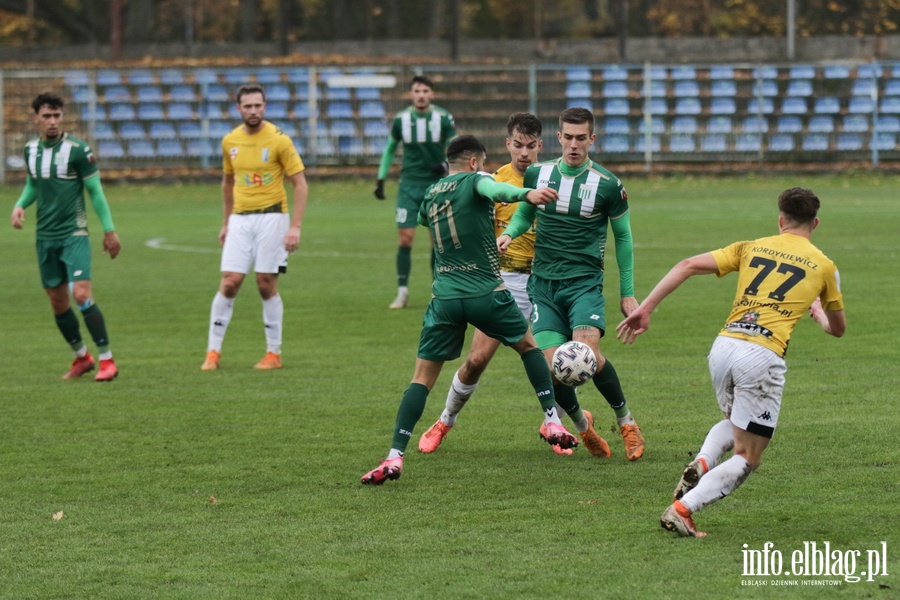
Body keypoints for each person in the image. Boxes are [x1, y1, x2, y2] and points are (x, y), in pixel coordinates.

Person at [616, 187, 846, 538]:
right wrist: (817, 314)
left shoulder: (751, 246)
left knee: (736, 421)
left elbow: (687, 265)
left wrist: (645, 308)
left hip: (724, 346)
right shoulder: (825, 266)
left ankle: (703, 462)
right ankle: (683, 509)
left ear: (780, 219)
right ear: (815, 222)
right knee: (749, 454)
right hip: (763, 355)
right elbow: (838, 329)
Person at [361, 135, 574, 485]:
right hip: (485, 290)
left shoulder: (430, 194)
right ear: (475, 162)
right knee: (528, 347)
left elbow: (429, 224)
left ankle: (394, 456)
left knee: (421, 379)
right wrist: (526, 194)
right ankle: (552, 418)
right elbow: (496, 192)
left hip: (444, 296)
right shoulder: (479, 180)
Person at [418, 112, 578, 455]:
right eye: (517, 145)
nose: (524, 153)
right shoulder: (488, 181)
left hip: (549, 282)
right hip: (505, 280)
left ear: (541, 146)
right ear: (507, 144)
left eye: (531, 146)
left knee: (558, 365)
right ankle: (445, 420)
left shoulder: (555, 178)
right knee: (477, 360)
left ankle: (558, 426)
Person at [498, 107, 645, 461]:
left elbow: (623, 239)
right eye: (569, 137)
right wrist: (509, 233)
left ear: (592, 139)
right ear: (559, 138)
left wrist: (627, 293)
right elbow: (525, 213)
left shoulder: (608, 184)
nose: (575, 145)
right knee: (554, 369)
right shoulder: (539, 173)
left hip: (584, 284)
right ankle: (582, 425)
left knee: (586, 356)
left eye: (582, 138)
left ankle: (626, 422)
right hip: (544, 285)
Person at [10, 92, 121, 382]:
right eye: (46, 116)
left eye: (57, 115)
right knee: (58, 302)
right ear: (36, 118)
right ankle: (82, 357)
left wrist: (109, 230)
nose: (52, 122)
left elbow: (95, 191)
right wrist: (21, 204)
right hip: (45, 236)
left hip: (74, 233)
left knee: (81, 293)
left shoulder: (78, 150)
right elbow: (34, 184)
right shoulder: (30, 150)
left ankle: (107, 360)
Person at [201, 84, 308, 371]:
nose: (253, 111)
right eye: (247, 106)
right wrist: (225, 223)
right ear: (238, 108)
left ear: (265, 106)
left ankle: (273, 353)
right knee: (230, 281)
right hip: (240, 218)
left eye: (258, 105)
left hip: (273, 217)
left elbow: (300, 184)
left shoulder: (279, 140)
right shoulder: (230, 141)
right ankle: (213, 352)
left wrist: (295, 226)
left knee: (265, 283)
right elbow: (227, 182)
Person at [373, 75, 456, 309]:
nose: (421, 95)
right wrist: (381, 178)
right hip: (408, 186)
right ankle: (402, 292)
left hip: (436, 186)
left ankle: (436, 290)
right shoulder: (402, 119)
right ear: (411, 95)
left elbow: (457, 146)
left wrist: (447, 166)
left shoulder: (443, 118)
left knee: (436, 241)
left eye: (425, 91)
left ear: (432, 94)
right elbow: (390, 148)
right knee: (405, 238)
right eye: (417, 91)